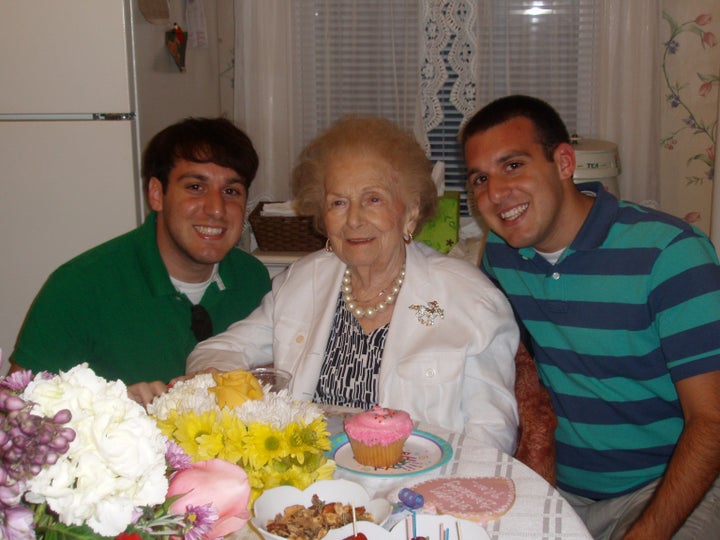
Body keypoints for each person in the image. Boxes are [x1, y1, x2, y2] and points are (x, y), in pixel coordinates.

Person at [461, 94, 720, 539]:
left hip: (662, 488)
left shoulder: (671, 255)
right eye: (480, 178)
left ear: (563, 162)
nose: (495, 194)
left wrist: (644, 533)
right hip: (555, 490)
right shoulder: (502, 256)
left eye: (514, 166)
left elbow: (712, 421)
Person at [186, 115, 520, 452]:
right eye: (338, 203)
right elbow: (217, 352)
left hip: (418, 488)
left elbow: (491, 433)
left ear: (411, 211)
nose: (354, 219)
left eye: (373, 199)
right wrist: (227, 385)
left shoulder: (467, 299)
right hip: (312, 486)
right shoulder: (302, 282)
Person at [9, 117, 271, 405]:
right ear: (157, 194)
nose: (216, 209)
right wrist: (112, 407)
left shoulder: (253, 279)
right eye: (196, 187)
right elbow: (16, 417)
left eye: (231, 191)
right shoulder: (79, 287)